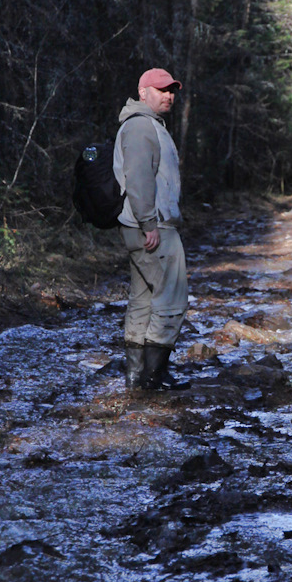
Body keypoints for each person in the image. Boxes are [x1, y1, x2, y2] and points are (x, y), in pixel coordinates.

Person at [113, 68, 189, 391]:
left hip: (144, 225)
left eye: (172, 90)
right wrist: (148, 224)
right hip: (152, 227)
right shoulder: (142, 126)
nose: (169, 95)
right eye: (161, 90)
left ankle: (136, 378)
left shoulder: (147, 125)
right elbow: (139, 179)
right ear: (143, 92)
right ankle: (154, 378)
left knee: (143, 299)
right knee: (171, 298)